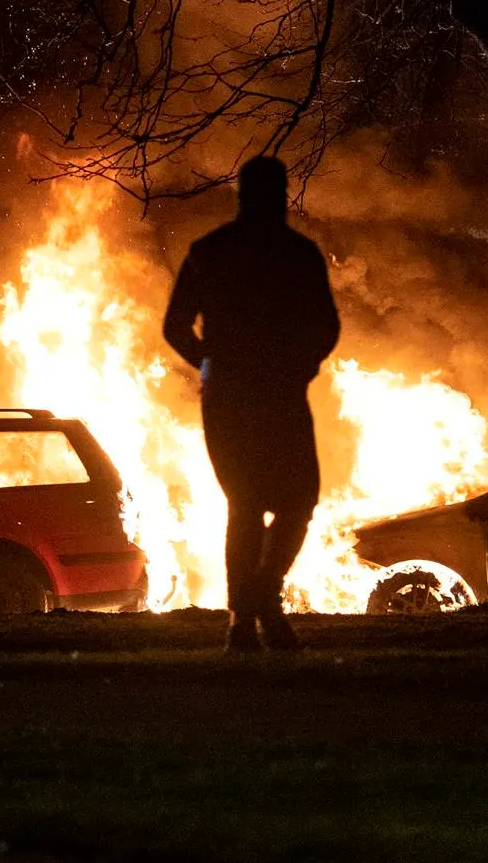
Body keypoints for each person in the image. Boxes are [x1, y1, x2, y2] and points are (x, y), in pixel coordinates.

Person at [162, 156, 340, 652]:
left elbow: (176, 325)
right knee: (284, 502)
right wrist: (301, 364)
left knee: (261, 505)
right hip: (268, 394)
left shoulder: (213, 250)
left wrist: (206, 363)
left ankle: (252, 608)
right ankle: (257, 614)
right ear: (278, 195)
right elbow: (326, 327)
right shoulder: (295, 253)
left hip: (239, 395)